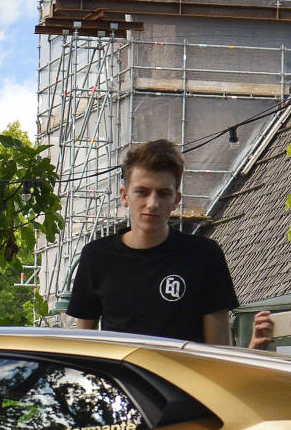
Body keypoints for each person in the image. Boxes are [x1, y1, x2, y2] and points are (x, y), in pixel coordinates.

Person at [64, 139, 236, 345]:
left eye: (163, 194)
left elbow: (219, 351)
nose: (152, 204)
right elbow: (84, 347)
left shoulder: (204, 256)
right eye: (142, 192)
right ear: (124, 196)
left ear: (176, 200)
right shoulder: (96, 257)